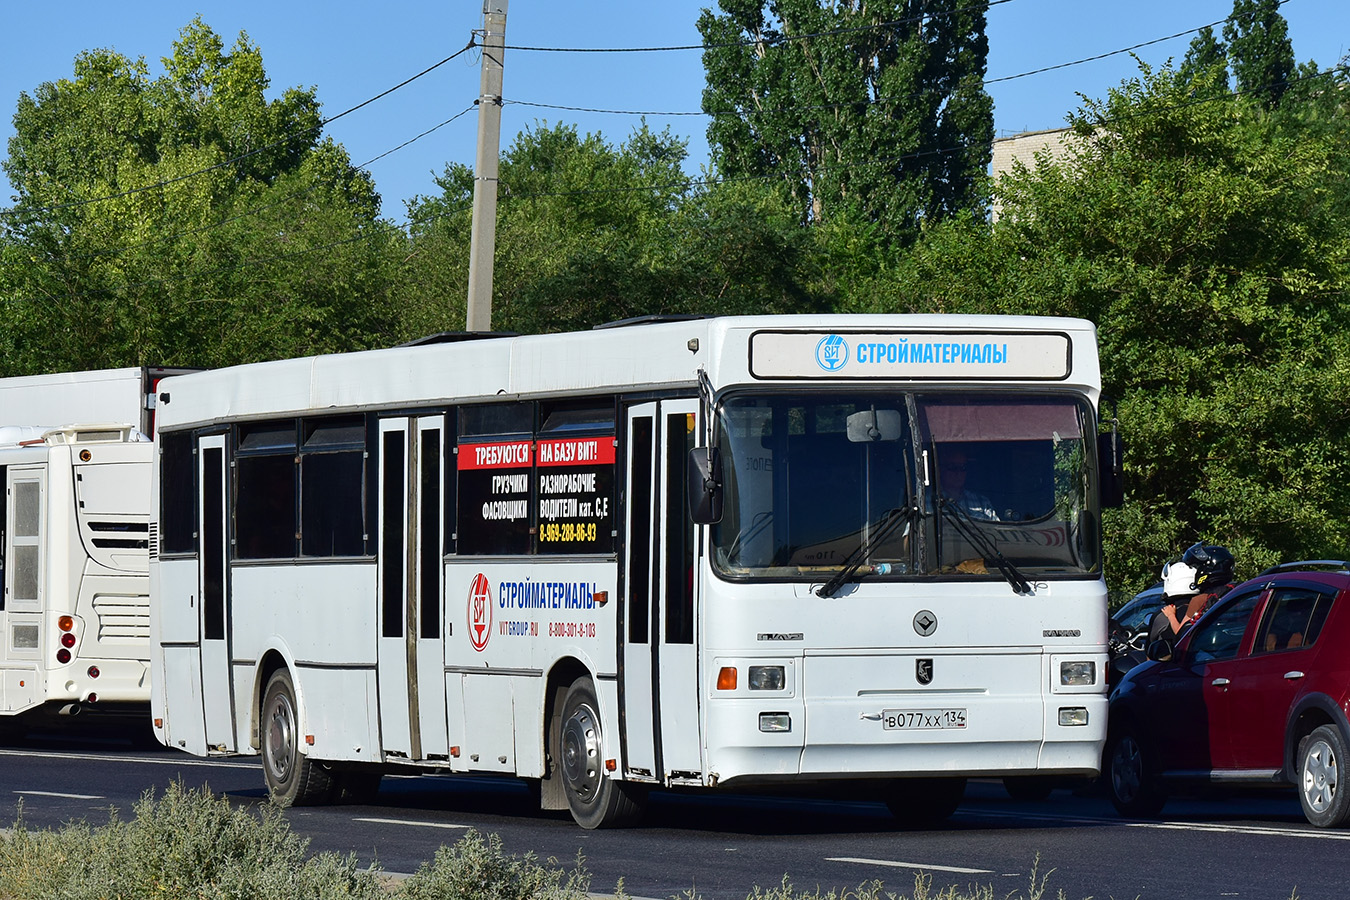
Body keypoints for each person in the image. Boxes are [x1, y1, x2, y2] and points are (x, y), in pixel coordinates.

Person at [1145, 542, 1236, 650]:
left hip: (1211, 654)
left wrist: (1171, 615)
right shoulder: (1236, 590)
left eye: (1196, 568)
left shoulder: (1201, 599)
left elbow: (1182, 634)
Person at [937, 446, 1000, 521]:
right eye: (952, 467)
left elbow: (997, 527)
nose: (958, 473)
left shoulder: (982, 502)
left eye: (963, 468)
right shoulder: (929, 501)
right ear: (941, 469)